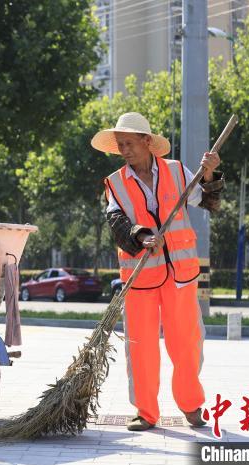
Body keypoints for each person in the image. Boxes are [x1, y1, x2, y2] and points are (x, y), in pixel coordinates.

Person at [91, 112, 224, 431]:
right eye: (120, 145)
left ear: (147, 142)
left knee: (187, 343)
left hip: (181, 274)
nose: (124, 149)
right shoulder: (115, 183)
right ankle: (146, 411)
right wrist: (141, 235)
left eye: (129, 143)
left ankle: (191, 406)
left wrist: (209, 174)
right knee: (140, 345)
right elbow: (117, 223)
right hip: (139, 277)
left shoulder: (177, 171)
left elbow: (208, 202)